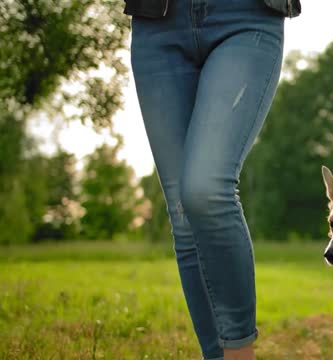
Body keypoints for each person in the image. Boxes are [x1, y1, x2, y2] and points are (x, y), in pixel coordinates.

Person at [126, 0, 300, 359]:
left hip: (246, 16)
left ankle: (239, 354)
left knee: (205, 189)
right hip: (157, 23)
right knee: (184, 217)